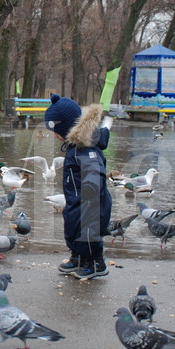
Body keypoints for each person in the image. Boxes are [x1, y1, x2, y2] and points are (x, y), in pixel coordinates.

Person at [44, 94, 113, 280]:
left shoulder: (85, 148)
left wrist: (91, 190)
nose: (54, 134)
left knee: (88, 234)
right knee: (73, 226)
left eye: (55, 130)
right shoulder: (75, 146)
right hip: (76, 199)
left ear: (67, 127)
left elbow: (94, 171)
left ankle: (96, 263)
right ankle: (78, 258)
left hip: (90, 201)